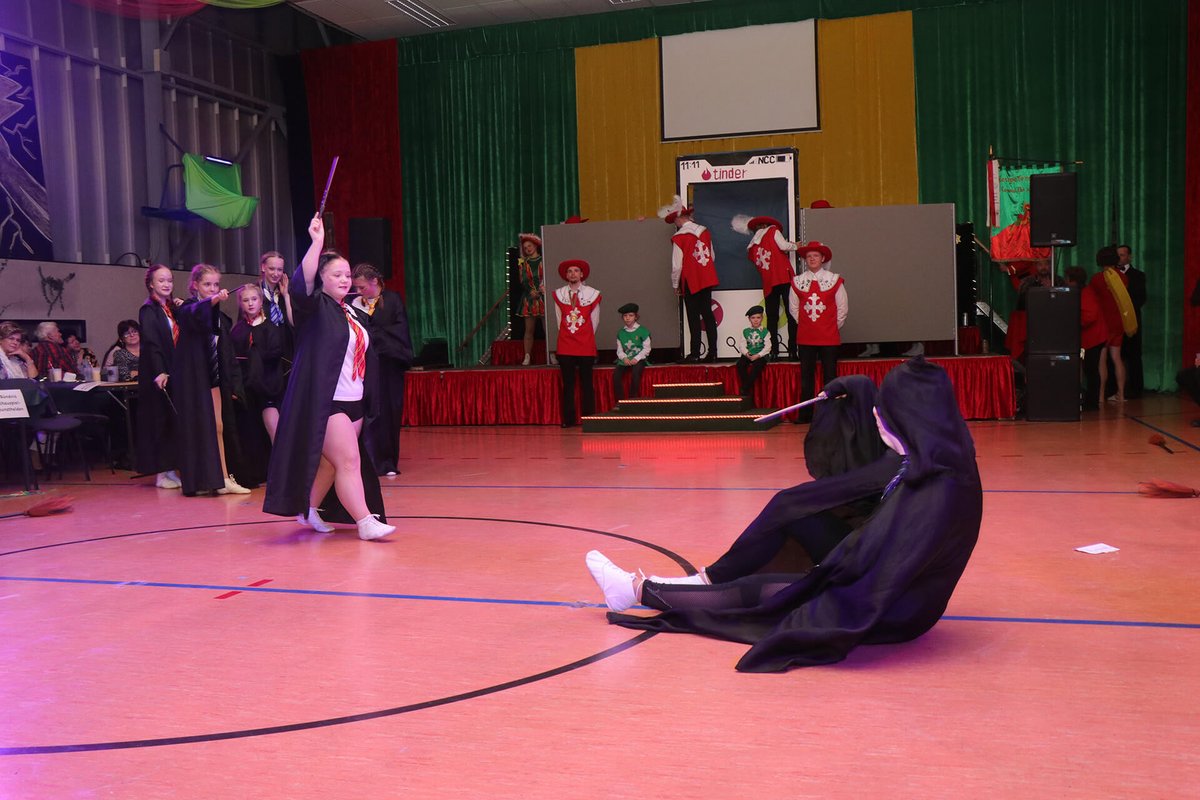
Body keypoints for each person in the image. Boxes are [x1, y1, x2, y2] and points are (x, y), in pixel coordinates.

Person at [586, 358, 981, 672]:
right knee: (795, 519)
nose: (877, 413)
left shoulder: (935, 491)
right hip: (890, 585)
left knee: (763, 593)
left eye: (886, 408)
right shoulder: (935, 461)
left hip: (893, 608)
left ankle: (638, 590)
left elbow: (885, 567)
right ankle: (688, 583)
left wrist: (827, 577)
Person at [263, 215, 394, 541]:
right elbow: (300, 284)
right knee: (348, 461)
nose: (345, 279)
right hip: (328, 402)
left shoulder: (350, 312)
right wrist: (317, 242)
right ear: (320, 278)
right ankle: (365, 521)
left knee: (331, 464)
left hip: (354, 401)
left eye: (347, 275)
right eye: (337, 274)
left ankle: (308, 509)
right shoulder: (314, 307)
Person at [173, 264, 251, 496]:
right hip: (194, 380)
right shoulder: (187, 307)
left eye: (216, 285)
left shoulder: (217, 314)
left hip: (213, 376)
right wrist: (213, 300)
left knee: (219, 426)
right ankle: (200, 480)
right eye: (207, 284)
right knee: (198, 427)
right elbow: (194, 313)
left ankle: (223, 478)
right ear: (195, 285)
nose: (212, 289)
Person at [352, 262, 414, 476]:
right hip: (367, 369)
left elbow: (399, 333)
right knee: (369, 413)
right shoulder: (355, 305)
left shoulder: (393, 301)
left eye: (362, 287)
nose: (359, 291)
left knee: (389, 413)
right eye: (356, 287)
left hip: (389, 367)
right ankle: (369, 462)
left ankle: (387, 461)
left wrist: (374, 333)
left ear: (374, 282)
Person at [229, 284, 288, 488]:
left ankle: (283, 473)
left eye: (254, 299)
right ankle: (256, 473)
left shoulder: (271, 328)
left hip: (268, 387)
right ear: (241, 304)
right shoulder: (238, 330)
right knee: (251, 433)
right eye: (246, 300)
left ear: (261, 301)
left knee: (274, 428)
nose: (250, 303)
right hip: (247, 389)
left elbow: (275, 356)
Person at [136, 264, 182, 490]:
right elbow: (152, 343)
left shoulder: (171, 308)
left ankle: (171, 468)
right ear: (151, 284)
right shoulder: (148, 310)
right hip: (157, 373)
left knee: (172, 423)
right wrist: (159, 371)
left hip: (174, 370)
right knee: (160, 421)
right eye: (161, 280)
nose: (166, 284)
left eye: (169, 280)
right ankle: (161, 473)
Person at [790, 241, 848, 418]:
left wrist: (829, 327)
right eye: (809, 256)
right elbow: (794, 309)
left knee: (830, 378)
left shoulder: (834, 280)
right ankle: (805, 415)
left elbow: (842, 309)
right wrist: (808, 325)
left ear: (823, 258)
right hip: (806, 337)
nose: (812, 259)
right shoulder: (798, 281)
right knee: (806, 379)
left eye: (815, 256)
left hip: (829, 337)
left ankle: (831, 415)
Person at [661, 196, 718, 361]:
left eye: (675, 220)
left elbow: (677, 265)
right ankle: (713, 352)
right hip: (707, 278)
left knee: (693, 317)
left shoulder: (679, 237)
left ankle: (695, 354)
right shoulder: (705, 231)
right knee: (708, 314)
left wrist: (675, 284)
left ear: (679, 218)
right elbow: (712, 256)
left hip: (691, 280)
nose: (675, 223)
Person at [733, 215, 797, 359]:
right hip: (783, 277)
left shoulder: (752, 247)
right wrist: (795, 246)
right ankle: (793, 351)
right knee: (791, 314)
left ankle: (773, 351)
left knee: (772, 318)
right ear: (766, 225)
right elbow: (784, 246)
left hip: (768, 282)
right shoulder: (773, 231)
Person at [553, 259, 601, 427]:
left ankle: (589, 419)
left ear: (582, 274)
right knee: (568, 384)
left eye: (576, 271)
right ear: (566, 275)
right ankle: (569, 420)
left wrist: (583, 336)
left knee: (587, 383)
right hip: (565, 345)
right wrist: (569, 334)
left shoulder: (592, 293)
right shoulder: (559, 294)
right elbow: (559, 320)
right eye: (570, 271)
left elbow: (595, 321)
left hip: (585, 344)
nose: (573, 274)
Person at [1089, 246, 1136, 404]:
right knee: (1117, 358)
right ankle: (1121, 394)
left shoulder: (1096, 279)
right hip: (1119, 323)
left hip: (1103, 324)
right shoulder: (1123, 278)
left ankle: (1100, 396)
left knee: (1102, 360)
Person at [1063, 267, 1106, 410]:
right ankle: (1091, 400)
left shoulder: (1086, 294)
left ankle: (1092, 403)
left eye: (1067, 278)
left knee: (1091, 371)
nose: (1065, 281)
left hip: (1093, 338)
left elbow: (1090, 316)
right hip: (1092, 338)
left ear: (1072, 280)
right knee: (1090, 370)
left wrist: (1073, 322)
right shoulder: (1085, 292)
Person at [1116, 244, 1146, 398]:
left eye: (1122, 255)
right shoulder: (1111, 275)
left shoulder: (1138, 275)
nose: (1119, 258)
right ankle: (1114, 388)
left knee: (1134, 355)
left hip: (1132, 320)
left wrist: (1127, 310)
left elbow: (1141, 298)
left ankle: (1136, 388)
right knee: (1115, 355)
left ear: (1129, 257)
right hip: (1115, 320)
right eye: (1118, 255)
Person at [515, 233, 545, 366]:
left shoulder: (544, 260)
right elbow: (522, 280)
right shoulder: (523, 263)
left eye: (530, 246)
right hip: (529, 298)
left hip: (543, 297)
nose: (528, 249)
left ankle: (552, 354)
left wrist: (541, 289)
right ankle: (527, 356)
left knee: (547, 329)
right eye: (525, 247)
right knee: (529, 330)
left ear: (536, 245)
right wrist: (530, 291)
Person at [612, 302, 650, 401]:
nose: (628, 318)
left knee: (636, 374)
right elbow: (620, 350)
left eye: (630, 315)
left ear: (636, 317)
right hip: (626, 358)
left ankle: (632, 400)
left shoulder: (643, 331)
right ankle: (620, 402)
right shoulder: (621, 333)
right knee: (616, 376)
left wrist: (636, 358)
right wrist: (624, 358)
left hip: (639, 358)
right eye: (625, 316)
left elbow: (647, 349)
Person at [736, 305, 770, 401]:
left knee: (757, 366)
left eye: (758, 318)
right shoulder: (745, 331)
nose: (756, 320)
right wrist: (747, 354)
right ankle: (746, 387)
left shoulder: (765, 332)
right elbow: (742, 345)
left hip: (760, 355)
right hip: (749, 354)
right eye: (753, 318)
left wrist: (758, 355)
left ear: (762, 318)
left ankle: (745, 387)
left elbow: (768, 347)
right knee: (740, 365)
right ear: (749, 319)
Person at [258, 250, 294, 329]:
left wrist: (286, 296)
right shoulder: (254, 293)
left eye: (279, 269)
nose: (276, 274)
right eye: (271, 269)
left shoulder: (286, 292)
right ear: (263, 267)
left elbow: (293, 323)